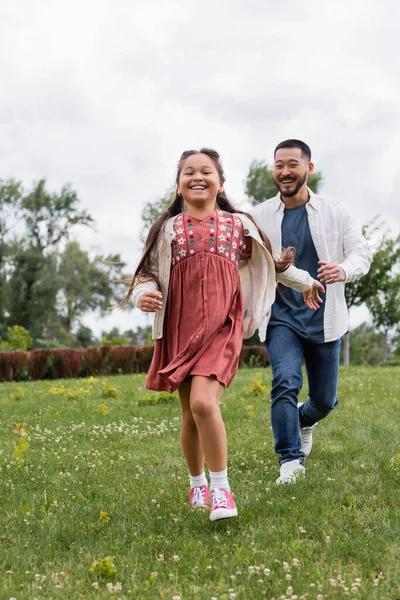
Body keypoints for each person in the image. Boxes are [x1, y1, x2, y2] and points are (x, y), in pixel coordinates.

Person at [120, 148, 323, 520]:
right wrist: (141, 295)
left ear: (221, 183)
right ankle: (197, 485)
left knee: (202, 403)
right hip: (179, 329)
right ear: (179, 186)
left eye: (206, 171)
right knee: (189, 413)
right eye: (188, 173)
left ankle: (221, 491)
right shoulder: (168, 229)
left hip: (222, 326)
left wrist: (307, 281)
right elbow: (146, 273)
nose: (197, 177)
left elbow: (269, 262)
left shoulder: (237, 225)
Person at [251, 139, 372, 484]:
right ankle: (290, 462)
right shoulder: (259, 216)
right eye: (279, 165)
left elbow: (361, 253)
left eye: (292, 164)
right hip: (280, 317)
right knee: (285, 382)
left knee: (324, 400)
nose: (285, 172)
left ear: (309, 168)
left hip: (326, 318)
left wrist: (343, 270)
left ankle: (303, 420)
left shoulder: (336, 212)